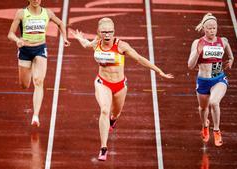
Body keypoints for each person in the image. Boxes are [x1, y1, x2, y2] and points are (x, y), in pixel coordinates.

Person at [71, 17, 173, 161]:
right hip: (102, 83)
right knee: (104, 110)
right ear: (99, 32)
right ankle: (103, 148)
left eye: (110, 32)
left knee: (115, 113)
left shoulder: (121, 46)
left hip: (119, 85)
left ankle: (113, 120)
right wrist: (80, 38)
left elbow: (139, 58)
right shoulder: (97, 43)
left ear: (114, 32)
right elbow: (86, 45)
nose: (107, 35)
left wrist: (158, 71)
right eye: (104, 32)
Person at [8, 0, 70, 127]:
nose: (36, 0)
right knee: (24, 85)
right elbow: (10, 34)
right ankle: (29, 69)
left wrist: (64, 37)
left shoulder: (47, 13)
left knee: (38, 81)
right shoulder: (21, 13)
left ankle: (35, 115)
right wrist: (17, 40)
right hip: (24, 50)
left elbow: (61, 23)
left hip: (40, 49)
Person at [188, 13, 234, 147]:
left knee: (214, 102)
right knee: (203, 109)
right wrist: (197, 51)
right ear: (204, 28)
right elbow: (190, 66)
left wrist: (230, 61)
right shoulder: (197, 43)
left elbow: (230, 56)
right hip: (203, 80)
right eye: (209, 28)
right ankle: (204, 126)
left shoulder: (223, 41)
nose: (212, 31)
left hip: (218, 79)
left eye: (214, 28)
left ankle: (217, 130)